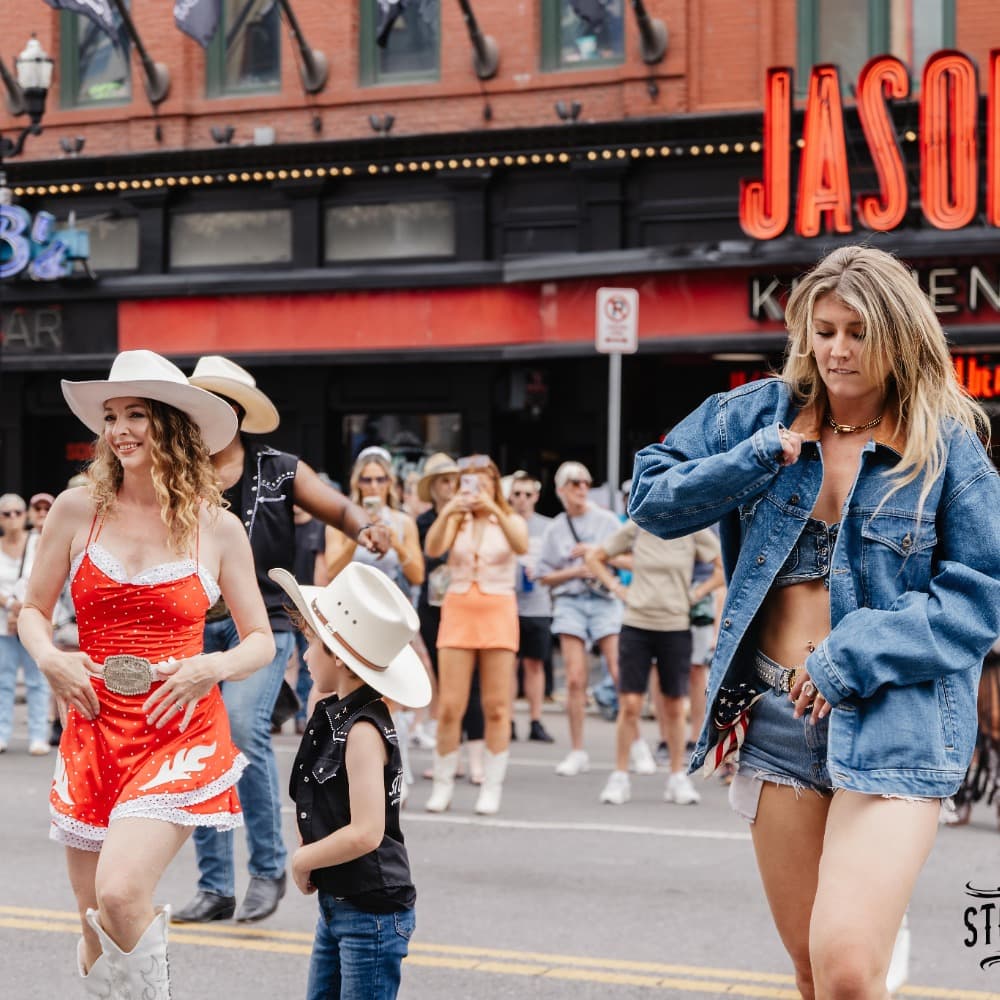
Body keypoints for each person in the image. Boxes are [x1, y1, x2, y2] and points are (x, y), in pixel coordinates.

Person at [629, 245, 1000, 999]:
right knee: (812, 974)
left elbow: (979, 596)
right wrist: (755, 459)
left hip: (896, 721)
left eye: (857, 331)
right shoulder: (756, 415)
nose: (836, 350)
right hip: (774, 724)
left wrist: (847, 657)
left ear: (897, 334)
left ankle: (865, 919)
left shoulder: (946, 446)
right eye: (823, 330)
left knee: (848, 971)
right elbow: (650, 496)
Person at [17, 349, 274, 998]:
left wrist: (210, 666)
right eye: (111, 416)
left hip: (177, 732)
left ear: (173, 425)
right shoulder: (78, 512)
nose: (120, 429)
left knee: (121, 892)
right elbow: (32, 612)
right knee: (95, 925)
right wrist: (48, 657)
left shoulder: (215, 526)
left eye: (137, 414)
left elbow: (262, 642)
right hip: (92, 730)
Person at [174, 356, 391, 926]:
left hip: (261, 623)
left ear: (238, 415)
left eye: (217, 407)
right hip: (192, 624)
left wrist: (363, 524)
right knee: (200, 747)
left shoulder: (278, 469)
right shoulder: (177, 472)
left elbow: (337, 506)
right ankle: (215, 886)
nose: (203, 419)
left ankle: (267, 870)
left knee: (243, 732)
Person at [269, 562, 430, 1000]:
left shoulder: (361, 731)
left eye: (310, 644)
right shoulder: (336, 713)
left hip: (371, 914)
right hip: (342, 904)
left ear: (338, 655)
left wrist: (304, 860)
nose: (303, 656)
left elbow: (366, 832)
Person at [585, 519, 723, 805]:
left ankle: (676, 776)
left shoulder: (690, 527)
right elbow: (595, 557)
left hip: (675, 625)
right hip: (636, 624)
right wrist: (617, 589)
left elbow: (722, 564)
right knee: (630, 704)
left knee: (674, 705)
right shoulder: (639, 526)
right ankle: (620, 775)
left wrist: (696, 593)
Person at [424, 454, 528, 814]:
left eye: (482, 479)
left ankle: (492, 786)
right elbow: (432, 548)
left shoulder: (507, 518)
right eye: (468, 480)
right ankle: (442, 783)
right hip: (458, 609)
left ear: (494, 483)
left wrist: (494, 509)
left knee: (496, 706)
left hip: (498, 609)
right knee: (451, 704)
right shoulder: (457, 519)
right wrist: (451, 508)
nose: (475, 487)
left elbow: (522, 545)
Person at [537, 461, 623, 777]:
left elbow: (629, 559)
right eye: (574, 483)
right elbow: (542, 576)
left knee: (618, 671)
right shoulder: (555, 528)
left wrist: (597, 554)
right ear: (561, 490)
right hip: (571, 600)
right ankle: (576, 750)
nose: (581, 488)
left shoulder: (607, 521)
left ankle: (634, 742)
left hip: (604, 599)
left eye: (586, 482)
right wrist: (575, 570)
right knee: (575, 678)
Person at [507, 471, 555, 743]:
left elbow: (557, 559)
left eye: (527, 494)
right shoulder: (503, 523)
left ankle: (536, 719)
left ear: (536, 496)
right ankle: (509, 718)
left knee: (535, 665)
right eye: (517, 494)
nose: (522, 499)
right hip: (509, 604)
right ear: (510, 497)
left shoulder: (547, 527)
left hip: (538, 604)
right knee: (510, 665)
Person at [0, 493, 48, 755]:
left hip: (32, 619)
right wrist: (10, 605)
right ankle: (2, 733)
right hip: (3, 623)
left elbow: (46, 576)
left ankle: (38, 735)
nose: (13, 518)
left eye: (18, 512)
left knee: (36, 679)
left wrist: (23, 608)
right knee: (3, 680)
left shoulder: (37, 543)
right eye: (7, 513)